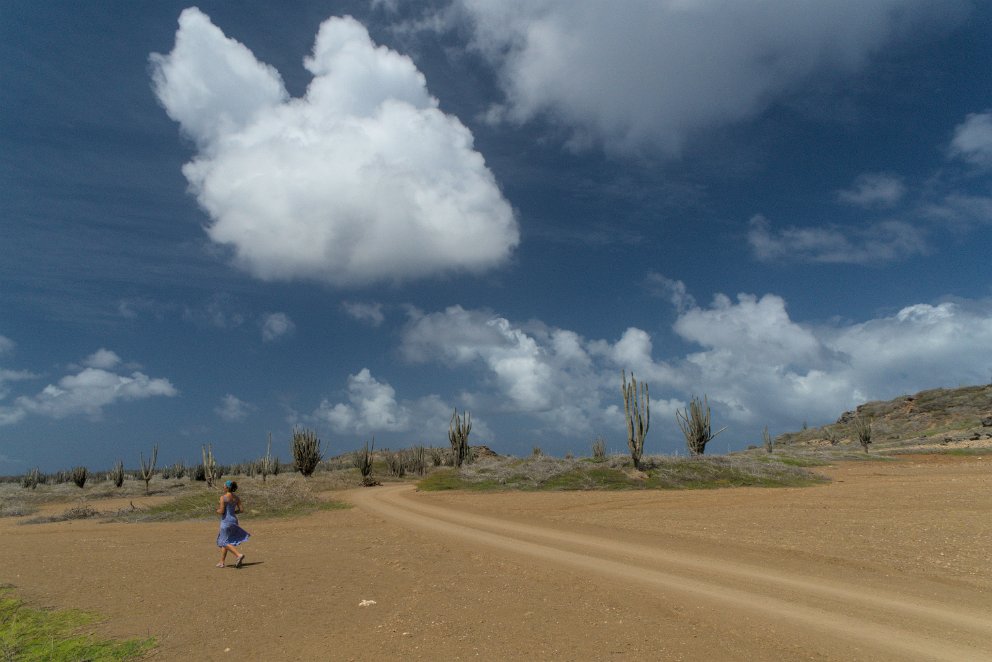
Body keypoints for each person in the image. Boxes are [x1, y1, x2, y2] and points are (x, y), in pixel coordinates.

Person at [216, 480, 250, 568]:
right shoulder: (236, 498)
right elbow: (241, 510)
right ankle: (221, 562)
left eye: (224, 486)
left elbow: (222, 511)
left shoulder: (223, 498)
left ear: (227, 488)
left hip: (226, 521)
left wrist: (217, 511)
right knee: (226, 540)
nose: (223, 487)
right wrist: (234, 512)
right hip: (234, 520)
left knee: (223, 541)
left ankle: (238, 555)